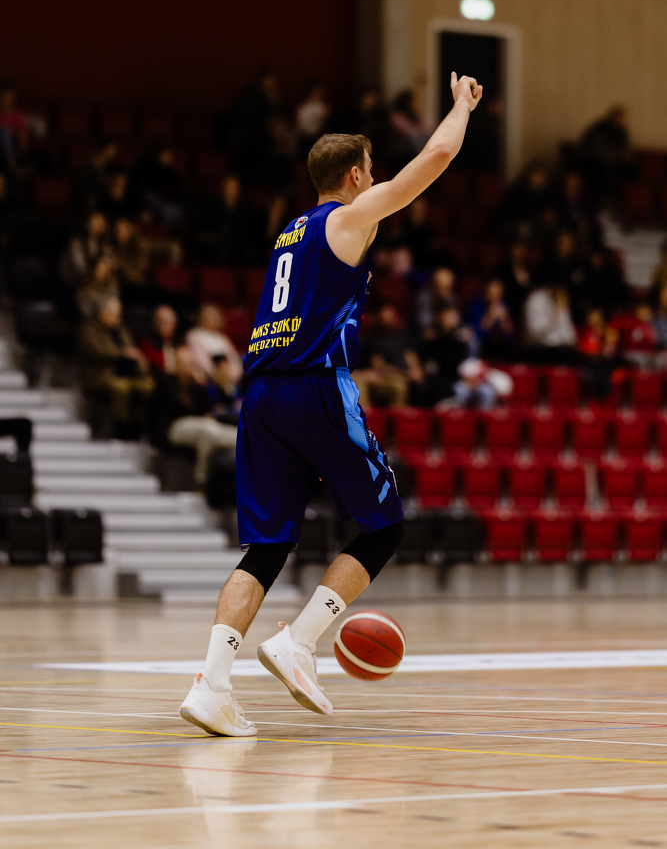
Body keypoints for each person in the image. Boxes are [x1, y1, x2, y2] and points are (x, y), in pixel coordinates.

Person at [179, 70, 482, 737]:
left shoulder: (289, 232)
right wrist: (461, 105)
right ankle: (299, 641)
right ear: (353, 176)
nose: (375, 180)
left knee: (264, 548)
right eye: (370, 171)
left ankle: (211, 686)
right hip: (313, 384)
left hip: (260, 394)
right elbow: (435, 156)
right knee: (384, 525)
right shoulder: (348, 219)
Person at [153, 346, 238, 485]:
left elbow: (206, 411)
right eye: (184, 363)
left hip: (199, 424)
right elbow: (172, 408)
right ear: (176, 364)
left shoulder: (197, 386)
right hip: (174, 426)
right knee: (207, 431)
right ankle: (201, 480)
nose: (187, 367)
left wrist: (200, 386)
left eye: (190, 364)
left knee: (237, 436)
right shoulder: (166, 382)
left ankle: (234, 480)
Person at [77, 296, 154, 428]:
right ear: (101, 313)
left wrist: (139, 360)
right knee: (121, 387)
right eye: (114, 315)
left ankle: (142, 425)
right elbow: (99, 351)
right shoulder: (88, 329)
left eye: (119, 315)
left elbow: (131, 348)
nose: (118, 318)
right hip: (101, 376)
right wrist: (124, 353)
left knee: (148, 385)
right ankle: (122, 426)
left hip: (128, 373)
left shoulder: (121, 329)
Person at [186, 304, 243, 381]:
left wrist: (233, 375)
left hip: (228, 378)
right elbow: (200, 360)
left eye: (214, 317)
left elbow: (233, 358)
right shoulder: (194, 335)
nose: (211, 319)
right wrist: (216, 375)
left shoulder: (222, 337)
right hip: (207, 379)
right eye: (208, 316)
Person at [140, 305, 180, 373]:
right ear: (154, 323)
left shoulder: (179, 344)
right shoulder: (147, 344)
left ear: (174, 324)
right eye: (160, 321)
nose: (162, 326)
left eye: (166, 322)